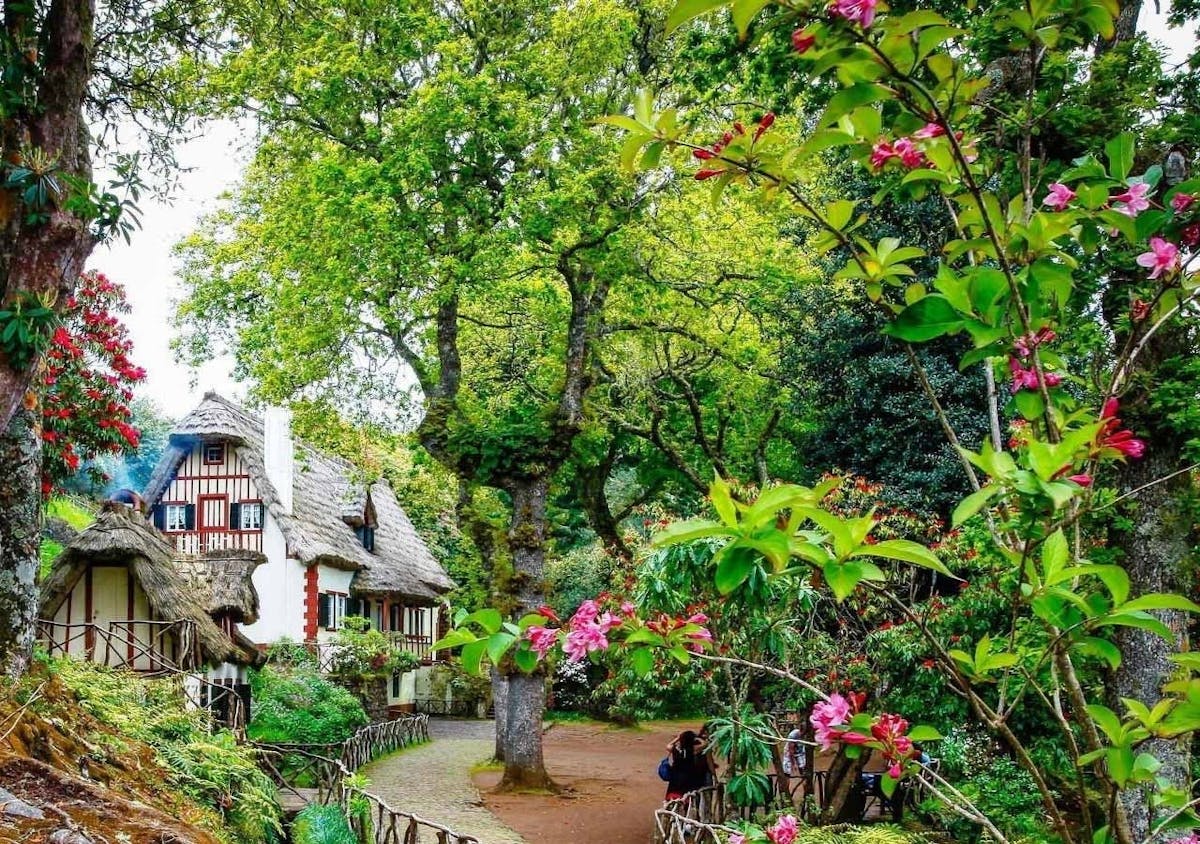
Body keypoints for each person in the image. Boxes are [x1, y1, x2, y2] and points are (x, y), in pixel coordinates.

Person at [665, 729, 708, 800]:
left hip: (675, 775)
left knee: (673, 793)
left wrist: (677, 738)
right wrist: (698, 738)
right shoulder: (692, 749)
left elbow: (668, 745)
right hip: (688, 776)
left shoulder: (675, 749)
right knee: (686, 795)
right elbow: (705, 744)